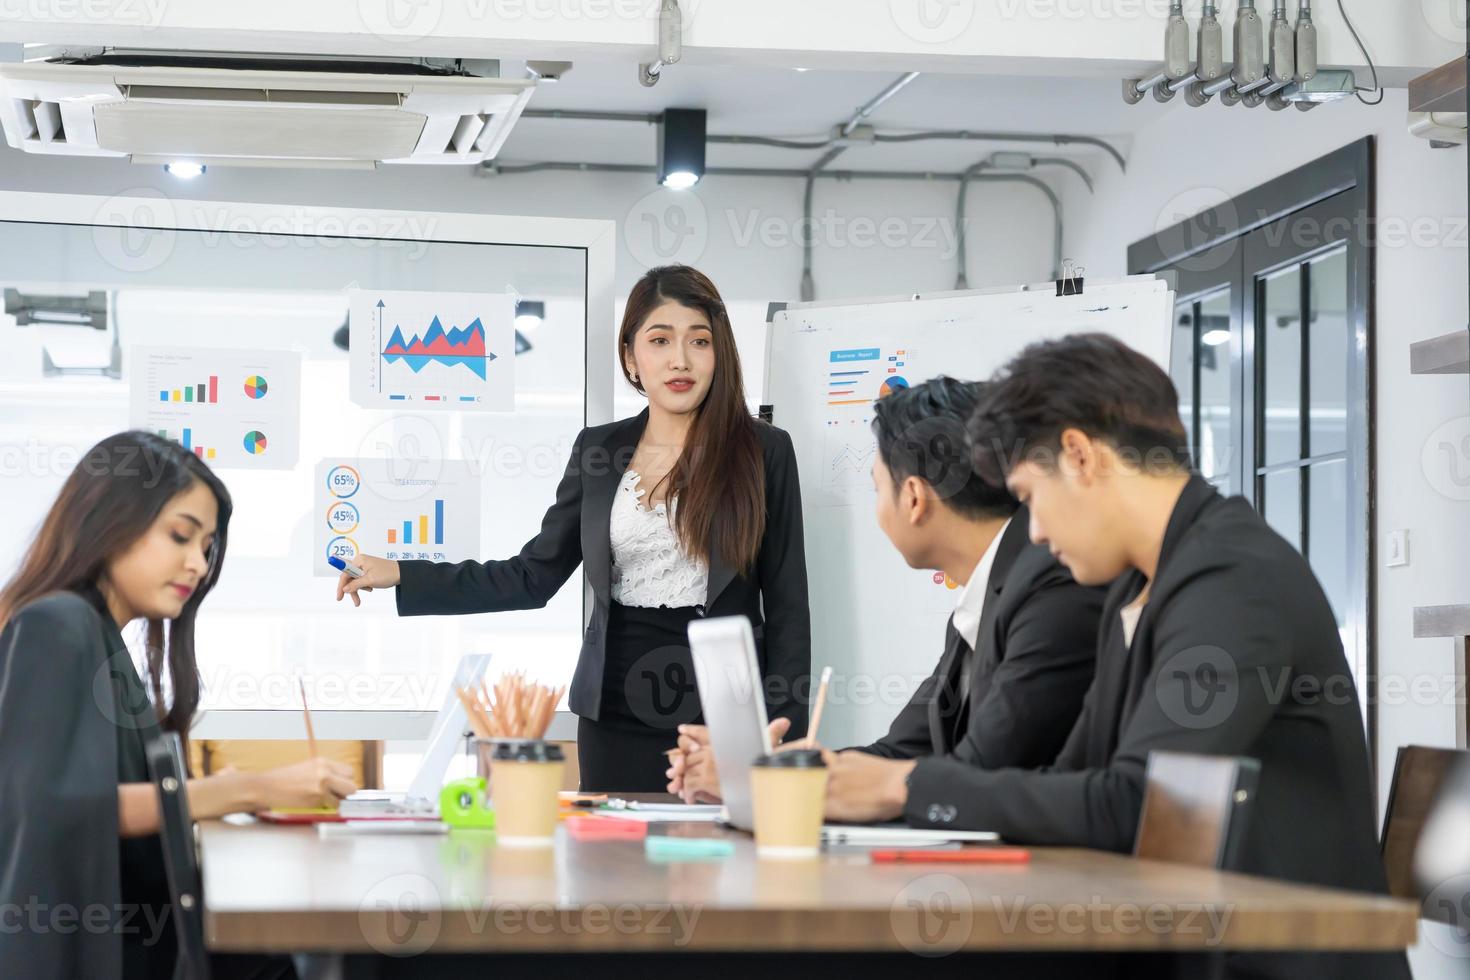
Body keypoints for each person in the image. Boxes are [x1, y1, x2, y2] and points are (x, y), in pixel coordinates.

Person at [904, 333, 1404, 980]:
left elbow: (1136, 804)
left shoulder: (1233, 578)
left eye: (1029, 497)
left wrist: (912, 785)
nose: (1036, 533)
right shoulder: (1139, 587)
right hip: (1190, 938)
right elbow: (1076, 776)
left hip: (1269, 961)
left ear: (1080, 456)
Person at [336, 265, 811, 791]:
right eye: (660, 340)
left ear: (719, 352)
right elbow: (532, 575)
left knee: (719, 865)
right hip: (614, 708)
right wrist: (404, 572)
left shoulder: (764, 451)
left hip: (723, 715)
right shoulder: (599, 450)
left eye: (699, 340)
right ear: (631, 357)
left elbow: (789, 606)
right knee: (612, 862)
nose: (680, 359)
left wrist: (780, 734)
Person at [0, 431, 358, 980]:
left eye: (207, 548)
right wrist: (247, 788)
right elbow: (57, 810)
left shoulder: (99, 637)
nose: (198, 564)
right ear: (107, 521)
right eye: (180, 536)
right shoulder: (58, 626)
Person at [668, 377, 1103, 813]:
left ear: (913, 497)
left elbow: (979, 770)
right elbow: (901, 753)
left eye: (878, 488)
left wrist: (764, 784)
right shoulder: (987, 596)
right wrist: (765, 770)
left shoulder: (1052, 587)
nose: (879, 510)